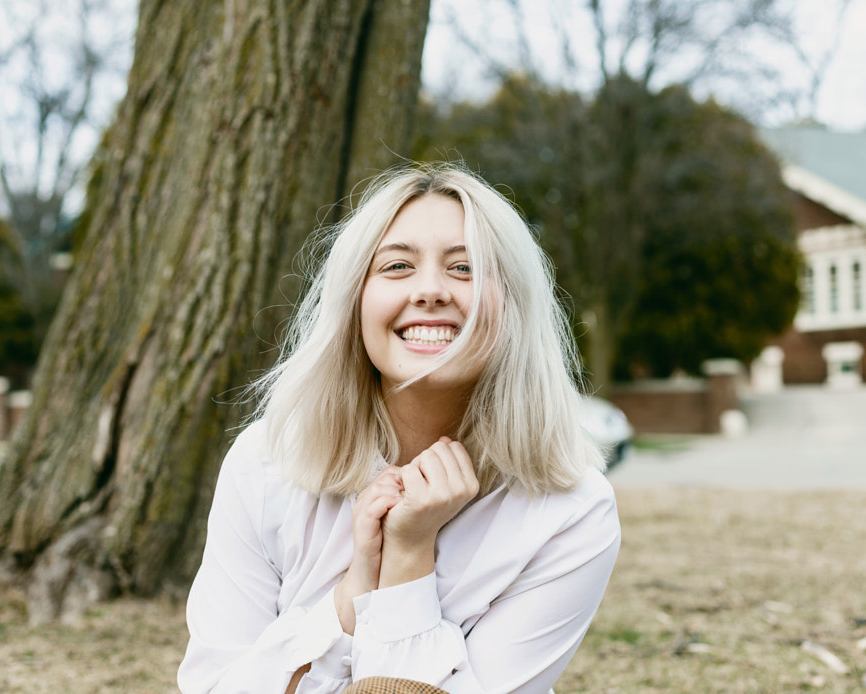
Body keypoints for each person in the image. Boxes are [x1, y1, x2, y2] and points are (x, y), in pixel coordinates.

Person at [177, 163, 621, 694]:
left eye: (465, 269)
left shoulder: (571, 510)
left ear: (513, 306)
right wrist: (352, 595)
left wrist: (409, 556)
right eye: (396, 267)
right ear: (355, 302)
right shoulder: (266, 462)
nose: (431, 290)